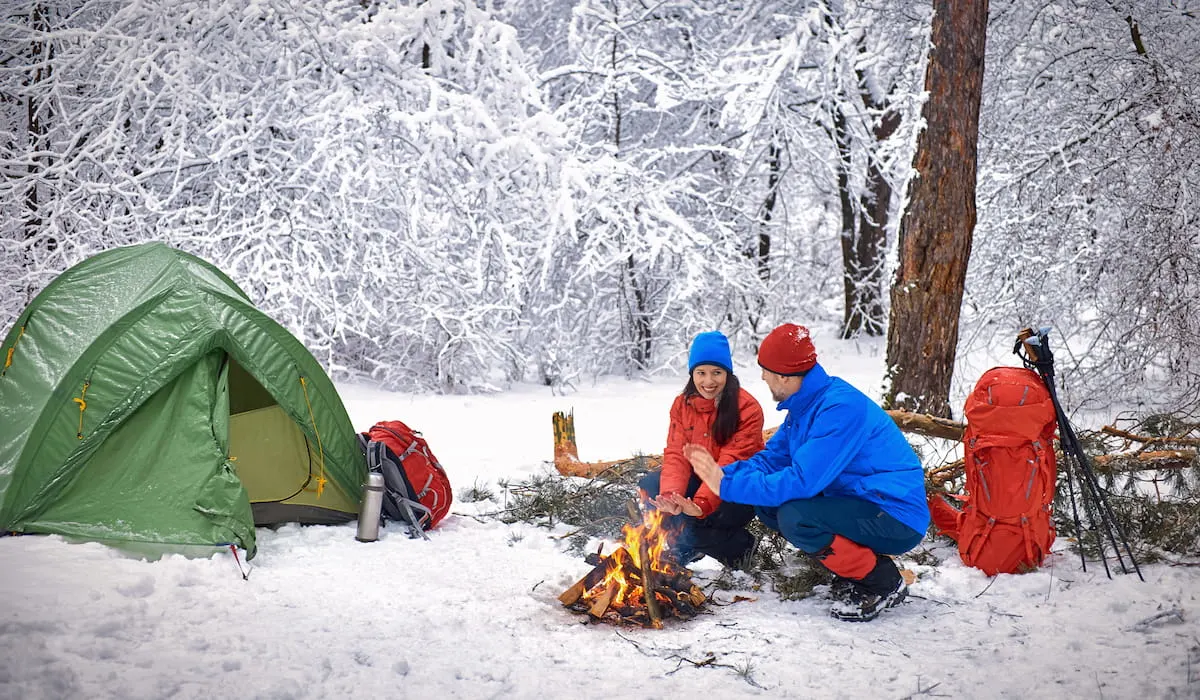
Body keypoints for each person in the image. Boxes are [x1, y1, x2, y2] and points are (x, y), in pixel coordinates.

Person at [684, 323, 929, 622]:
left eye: (766, 370)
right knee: (771, 506)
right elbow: (773, 459)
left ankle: (882, 582)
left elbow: (802, 481)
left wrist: (727, 486)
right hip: (860, 504)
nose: (761, 376)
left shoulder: (838, 408)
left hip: (895, 515)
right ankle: (854, 569)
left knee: (796, 516)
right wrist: (723, 475)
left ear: (785, 376)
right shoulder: (805, 407)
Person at [639, 331, 765, 570]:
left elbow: (729, 462)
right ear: (692, 374)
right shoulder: (682, 405)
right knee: (651, 489)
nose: (709, 381)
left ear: (727, 373)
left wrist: (700, 505)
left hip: (735, 489)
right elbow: (677, 453)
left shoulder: (747, 408)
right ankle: (685, 547)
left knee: (693, 522)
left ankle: (740, 548)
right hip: (700, 482)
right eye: (701, 373)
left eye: (717, 372)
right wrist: (671, 496)